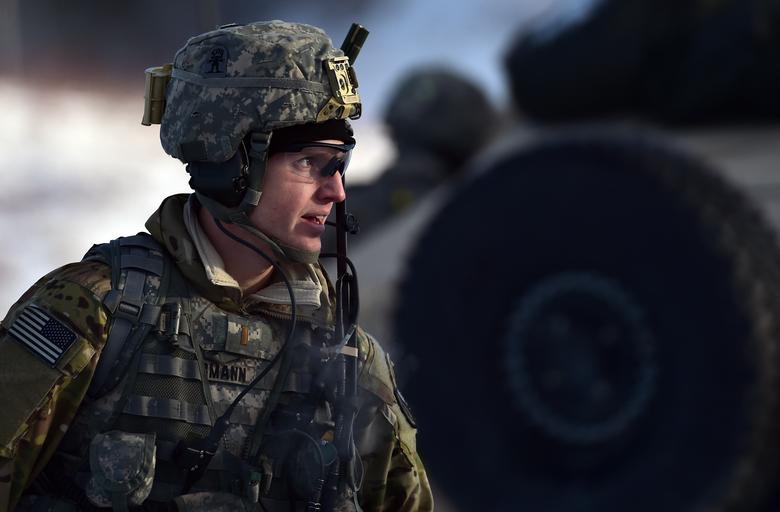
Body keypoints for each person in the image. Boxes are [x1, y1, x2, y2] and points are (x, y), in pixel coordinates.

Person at [0, 20, 432, 512]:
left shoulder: (349, 359)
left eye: (340, 164)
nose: (336, 191)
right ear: (229, 166)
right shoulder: (93, 313)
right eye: (309, 163)